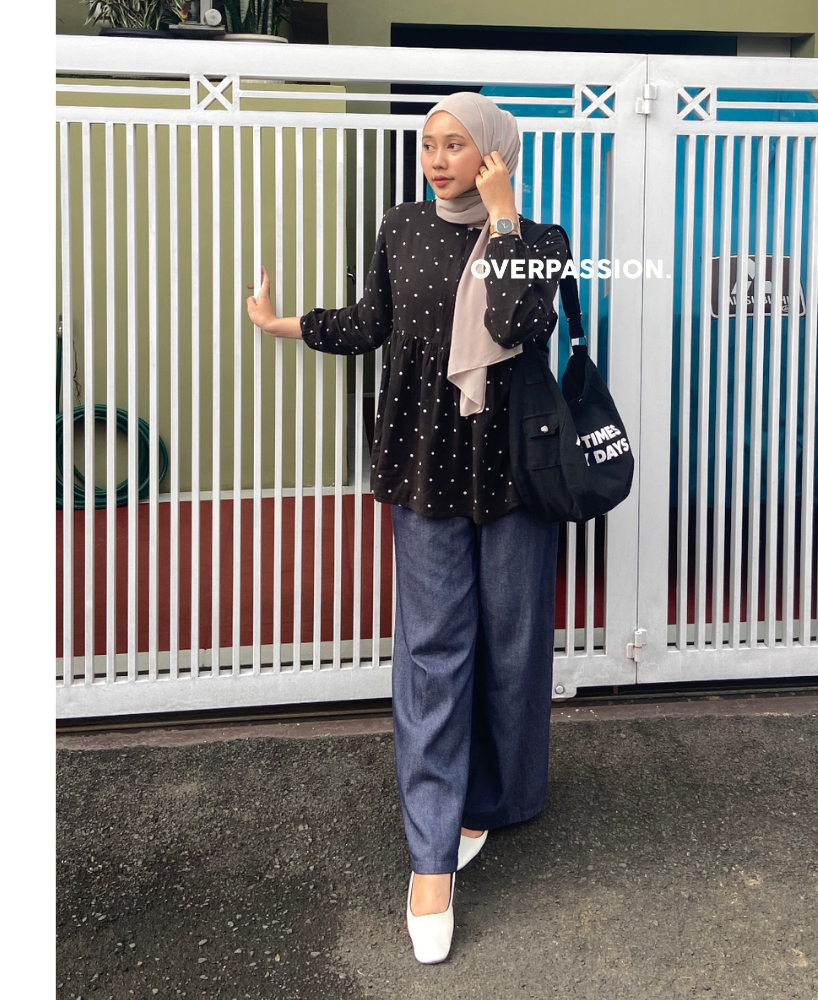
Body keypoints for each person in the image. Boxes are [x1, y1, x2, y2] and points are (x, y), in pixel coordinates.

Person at [246, 91, 568, 964]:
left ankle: (491, 800)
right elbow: (375, 321)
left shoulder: (541, 241)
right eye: (429, 144)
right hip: (423, 464)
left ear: (494, 153)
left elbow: (518, 325)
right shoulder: (402, 227)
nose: (437, 159)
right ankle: (431, 857)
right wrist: (286, 324)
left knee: (512, 645)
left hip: (514, 472)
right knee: (432, 651)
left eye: (456, 145)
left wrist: (503, 223)